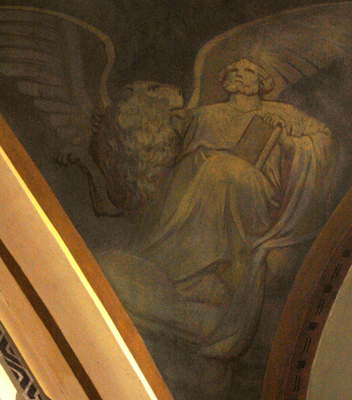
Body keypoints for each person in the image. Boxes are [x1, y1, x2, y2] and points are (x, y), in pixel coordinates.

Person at [100, 58, 336, 360]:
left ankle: (196, 272)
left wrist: (290, 144)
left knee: (221, 168)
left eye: (248, 70)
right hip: (206, 192)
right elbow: (159, 131)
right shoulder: (206, 115)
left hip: (261, 200)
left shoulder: (282, 113)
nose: (239, 74)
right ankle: (182, 271)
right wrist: (113, 123)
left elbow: (323, 140)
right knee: (194, 171)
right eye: (233, 70)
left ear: (263, 82)